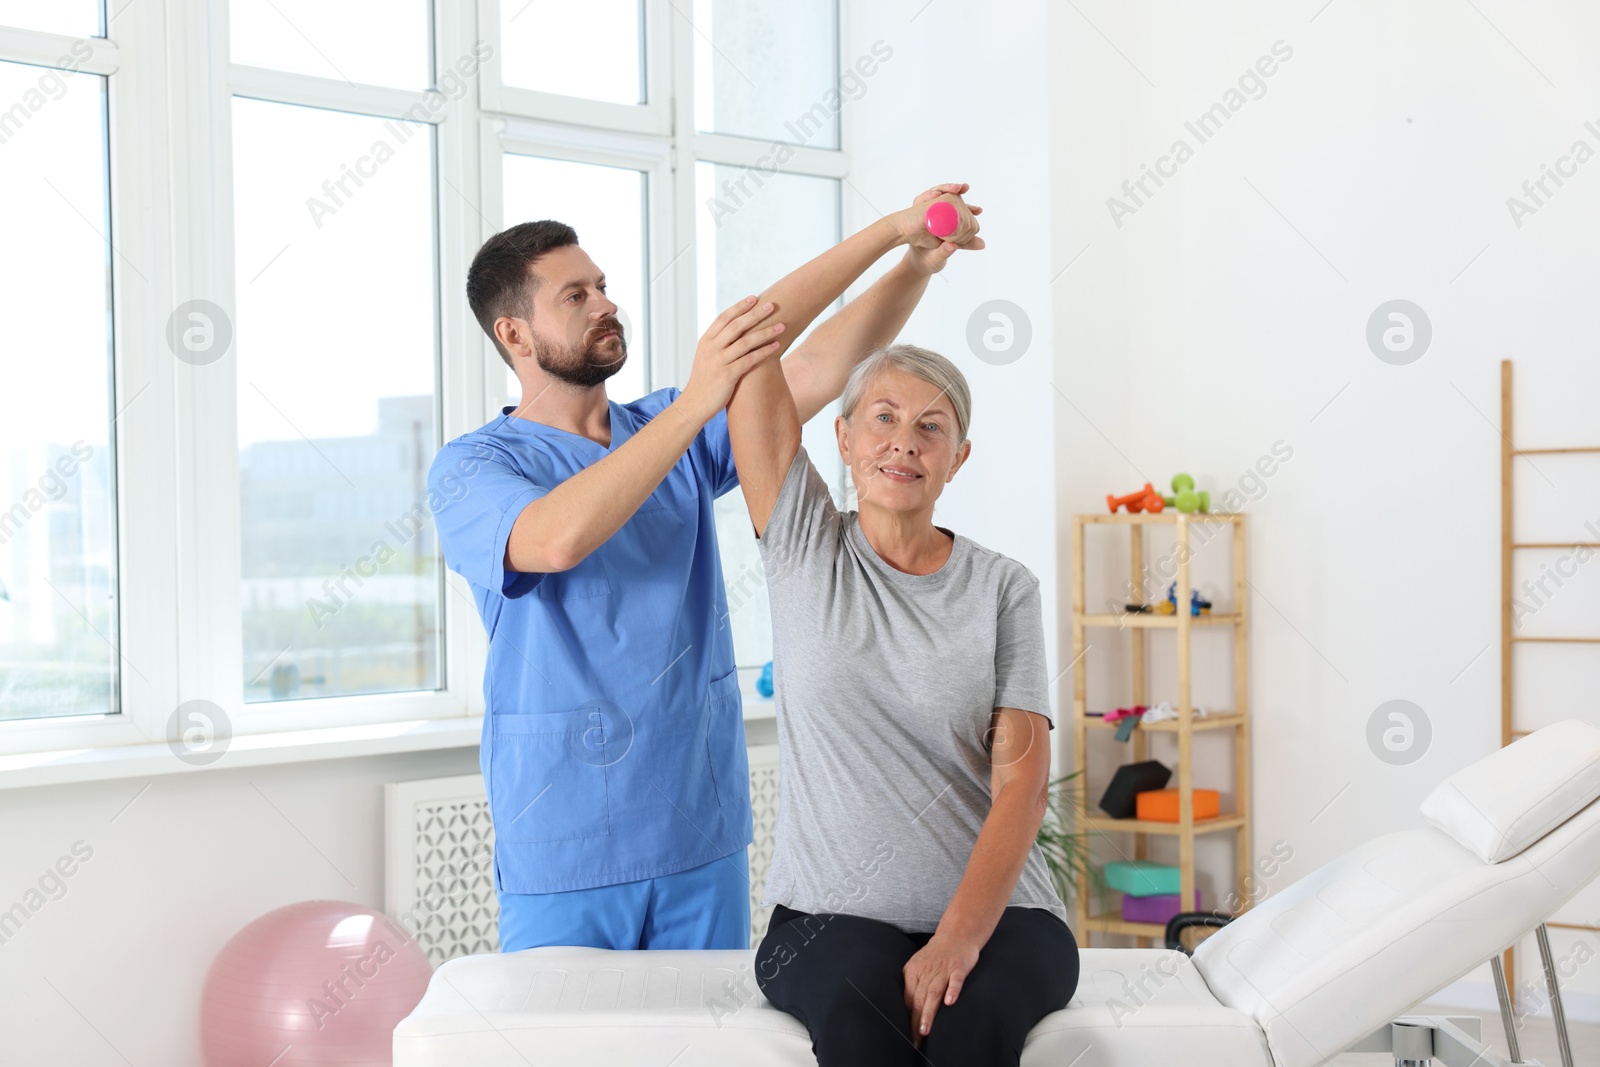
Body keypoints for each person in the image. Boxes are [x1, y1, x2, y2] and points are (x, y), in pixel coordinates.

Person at [426, 185, 983, 954]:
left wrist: (908, 255)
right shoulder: (475, 466)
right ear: (514, 332)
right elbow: (551, 541)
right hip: (567, 843)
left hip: (698, 830)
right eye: (576, 295)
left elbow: (812, 362)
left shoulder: (665, 429)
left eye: (605, 287)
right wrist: (695, 403)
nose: (603, 304)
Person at [724, 314, 1081, 1059]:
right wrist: (897, 242)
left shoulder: (1002, 587)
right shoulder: (803, 545)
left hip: (1006, 917)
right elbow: (755, 377)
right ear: (843, 438)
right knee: (864, 1025)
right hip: (826, 917)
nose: (904, 441)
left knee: (968, 1031)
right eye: (882, 418)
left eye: (931, 426)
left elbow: (1021, 785)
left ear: (958, 457)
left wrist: (955, 940)